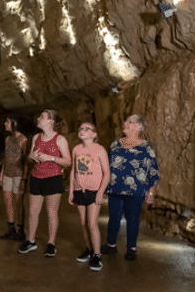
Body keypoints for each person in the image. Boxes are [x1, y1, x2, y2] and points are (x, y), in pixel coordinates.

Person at [101, 114, 160, 261]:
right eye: (126, 121)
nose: (125, 123)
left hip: (136, 189)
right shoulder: (115, 144)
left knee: (132, 219)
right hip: (115, 187)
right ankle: (111, 245)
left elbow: (152, 169)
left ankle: (131, 249)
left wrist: (151, 191)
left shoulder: (146, 146)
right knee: (113, 217)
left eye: (130, 122)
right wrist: (104, 186)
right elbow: (108, 166)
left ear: (139, 127)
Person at [18, 110, 71, 257]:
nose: (39, 118)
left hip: (53, 178)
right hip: (36, 177)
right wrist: (32, 156)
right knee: (33, 211)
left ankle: (51, 243)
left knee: (51, 213)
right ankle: (31, 241)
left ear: (51, 122)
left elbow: (68, 161)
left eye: (42, 117)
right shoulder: (36, 137)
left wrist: (51, 158)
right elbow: (29, 157)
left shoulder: (60, 139)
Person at [68, 122, 110, 271]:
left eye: (87, 129)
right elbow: (73, 170)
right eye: (81, 128)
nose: (83, 130)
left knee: (92, 223)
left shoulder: (100, 150)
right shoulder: (76, 149)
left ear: (94, 135)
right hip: (80, 190)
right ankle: (89, 249)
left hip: (94, 191)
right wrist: (72, 190)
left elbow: (107, 173)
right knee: (83, 222)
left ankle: (97, 255)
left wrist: (100, 193)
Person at [0, 115, 29, 241]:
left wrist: (24, 179)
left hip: (18, 175)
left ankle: (21, 230)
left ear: (14, 123)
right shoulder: (8, 139)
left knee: (19, 203)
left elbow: (26, 161)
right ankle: (11, 229)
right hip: (7, 174)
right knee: (8, 202)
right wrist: (1, 174)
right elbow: (6, 158)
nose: (5, 123)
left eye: (8, 122)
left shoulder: (23, 139)